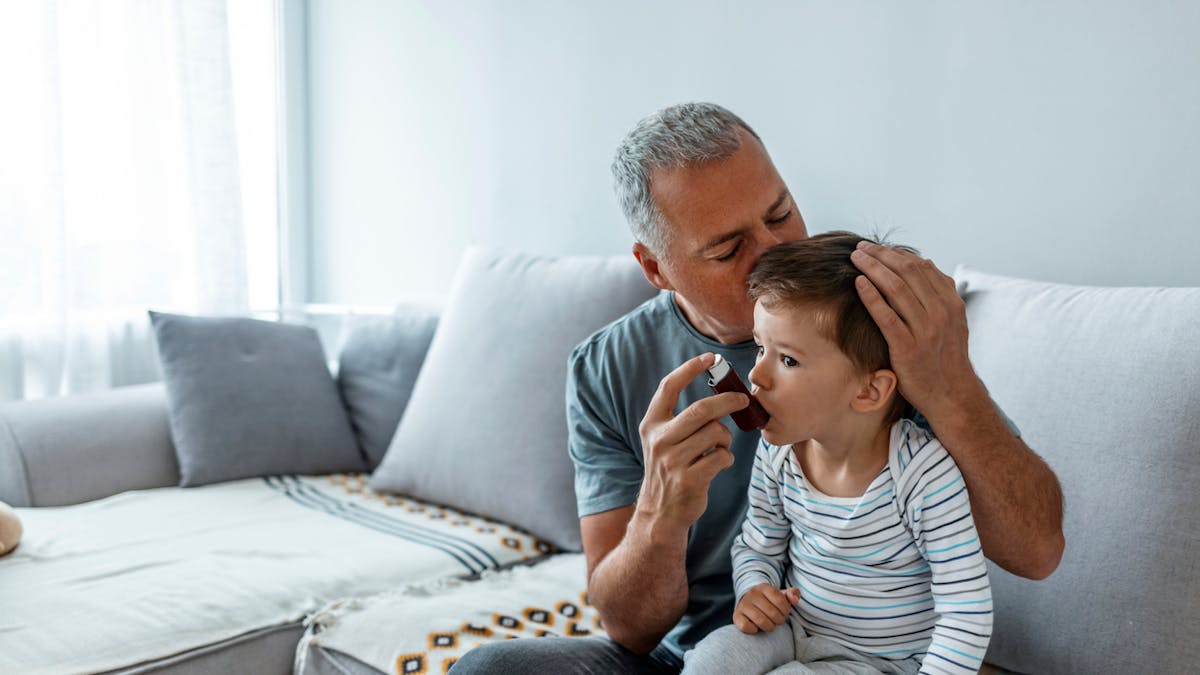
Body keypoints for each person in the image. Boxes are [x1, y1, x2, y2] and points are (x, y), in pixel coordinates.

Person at [450, 103, 1061, 674]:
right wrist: (661, 514)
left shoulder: (869, 323)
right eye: (727, 249)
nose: (773, 255)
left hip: (866, 656)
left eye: (780, 214)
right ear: (656, 269)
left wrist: (949, 383)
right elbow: (629, 629)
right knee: (487, 668)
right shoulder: (605, 368)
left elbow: (1036, 552)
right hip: (703, 653)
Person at [680, 232, 991, 675]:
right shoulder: (780, 453)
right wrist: (755, 589)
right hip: (793, 632)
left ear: (869, 390)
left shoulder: (923, 476)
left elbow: (966, 613)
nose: (757, 376)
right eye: (761, 347)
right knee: (711, 660)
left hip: (881, 664)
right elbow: (757, 544)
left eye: (788, 360)